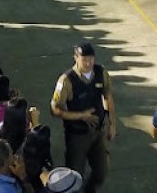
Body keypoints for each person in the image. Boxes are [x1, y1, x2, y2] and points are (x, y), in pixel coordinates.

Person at [50, 43, 116, 193]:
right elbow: (54, 109)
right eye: (84, 59)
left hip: (97, 133)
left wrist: (112, 123)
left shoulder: (101, 72)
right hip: (77, 136)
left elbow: (108, 96)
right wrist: (81, 116)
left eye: (91, 59)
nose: (88, 63)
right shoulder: (66, 80)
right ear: (76, 58)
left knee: (101, 171)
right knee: (74, 178)